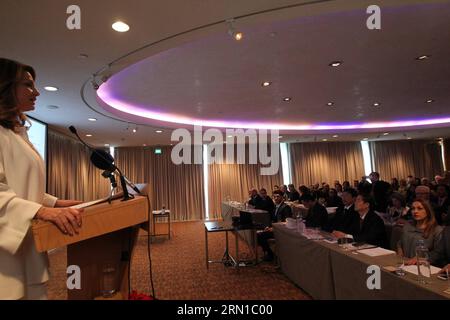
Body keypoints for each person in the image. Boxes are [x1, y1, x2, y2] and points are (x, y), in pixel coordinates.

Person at [0, 58, 83, 300]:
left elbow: (19, 185)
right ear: (5, 87)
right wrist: (41, 211)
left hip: (27, 245)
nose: (36, 92)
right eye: (27, 85)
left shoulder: (16, 133)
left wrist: (54, 203)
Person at [257, 190, 292, 261]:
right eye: (274, 197)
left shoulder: (286, 207)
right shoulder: (275, 206)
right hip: (275, 228)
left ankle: (271, 255)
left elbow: (286, 222)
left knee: (261, 236)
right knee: (258, 234)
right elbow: (273, 220)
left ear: (282, 197)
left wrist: (273, 229)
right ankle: (270, 253)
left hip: (281, 231)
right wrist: (269, 227)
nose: (275, 198)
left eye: (278, 196)